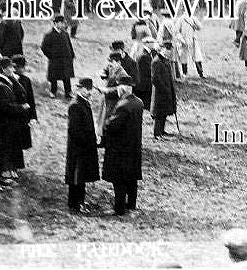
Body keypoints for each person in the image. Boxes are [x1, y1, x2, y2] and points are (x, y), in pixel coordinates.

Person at [0, 57, 30, 190]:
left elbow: (19, 92)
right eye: (9, 67)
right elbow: (5, 107)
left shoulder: (4, 81)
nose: (12, 69)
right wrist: (22, 108)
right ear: (2, 70)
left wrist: (14, 79)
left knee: (1, 152)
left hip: (2, 125)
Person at [101, 81, 143, 216]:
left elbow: (113, 125)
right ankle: (131, 204)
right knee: (132, 178)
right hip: (134, 146)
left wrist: (106, 122)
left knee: (119, 179)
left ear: (123, 89)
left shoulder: (123, 106)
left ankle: (119, 209)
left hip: (120, 148)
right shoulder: (138, 102)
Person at [66, 78, 99, 214]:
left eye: (89, 89)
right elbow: (74, 130)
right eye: (87, 89)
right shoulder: (76, 105)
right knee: (78, 176)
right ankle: (78, 203)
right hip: (79, 148)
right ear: (81, 89)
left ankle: (75, 202)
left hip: (83, 146)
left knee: (79, 176)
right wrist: (87, 142)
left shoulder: (83, 103)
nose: (89, 92)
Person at [41, 15, 75, 98]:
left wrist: (72, 55)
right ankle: (53, 91)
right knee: (54, 77)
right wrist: (51, 56)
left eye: (64, 23)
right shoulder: (49, 35)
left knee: (66, 76)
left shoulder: (65, 34)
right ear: (55, 23)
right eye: (61, 23)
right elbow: (44, 47)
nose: (63, 25)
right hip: (55, 60)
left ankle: (68, 92)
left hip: (66, 59)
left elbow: (69, 46)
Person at [151, 41, 177, 139]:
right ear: (162, 49)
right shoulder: (156, 61)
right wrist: (164, 89)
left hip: (166, 91)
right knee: (159, 113)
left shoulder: (165, 61)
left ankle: (162, 131)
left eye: (170, 50)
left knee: (164, 112)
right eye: (167, 50)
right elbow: (155, 79)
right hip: (159, 92)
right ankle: (157, 133)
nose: (169, 52)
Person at [12, 55, 37, 156]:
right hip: (13, 115)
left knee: (21, 142)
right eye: (21, 67)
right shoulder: (9, 80)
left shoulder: (26, 80)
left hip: (24, 116)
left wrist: (33, 117)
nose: (23, 69)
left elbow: (31, 100)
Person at [134, 37, 155, 110]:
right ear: (146, 43)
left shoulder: (148, 53)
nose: (153, 44)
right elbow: (147, 71)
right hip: (145, 84)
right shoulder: (144, 55)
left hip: (145, 83)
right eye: (151, 42)